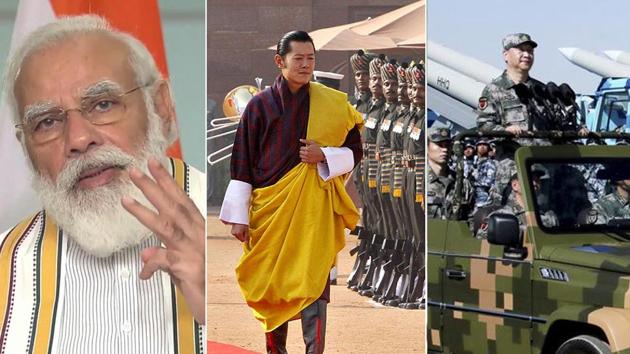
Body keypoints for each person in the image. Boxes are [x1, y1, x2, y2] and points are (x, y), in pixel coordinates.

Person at [0, 16, 205, 353]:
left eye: (103, 104)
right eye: (47, 122)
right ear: (25, 147)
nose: (78, 139)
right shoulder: (6, 266)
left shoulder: (231, 230)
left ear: (162, 107)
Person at [219, 30, 363, 354]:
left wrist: (324, 155)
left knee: (314, 285)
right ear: (280, 61)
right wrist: (239, 218)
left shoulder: (331, 103)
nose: (305, 65)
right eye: (298, 58)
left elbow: (355, 149)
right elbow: (242, 162)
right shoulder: (259, 107)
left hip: (312, 212)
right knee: (274, 287)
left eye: (310, 58)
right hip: (270, 213)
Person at [477, 168, 558, 238]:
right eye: (529, 179)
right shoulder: (501, 216)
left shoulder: (549, 215)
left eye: (537, 180)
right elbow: (482, 246)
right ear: (515, 185)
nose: (534, 184)